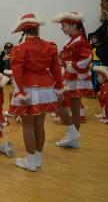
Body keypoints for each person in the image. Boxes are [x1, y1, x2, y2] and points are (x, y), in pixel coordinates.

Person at [8, 13, 64, 171]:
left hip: (27, 88)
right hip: (45, 87)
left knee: (27, 126)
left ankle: (30, 162)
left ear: (23, 31)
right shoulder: (49, 46)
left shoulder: (20, 48)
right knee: (40, 125)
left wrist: (19, 92)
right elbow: (55, 69)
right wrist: (59, 85)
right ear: (37, 28)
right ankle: (37, 159)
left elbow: (17, 72)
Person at [51, 11, 94, 149]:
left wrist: (74, 65)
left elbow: (87, 58)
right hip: (70, 76)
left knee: (58, 103)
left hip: (74, 78)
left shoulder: (81, 41)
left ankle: (72, 133)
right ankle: (74, 137)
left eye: (63, 25)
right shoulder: (72, 39)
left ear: (73, 25)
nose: (61, 28)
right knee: (75, 109)